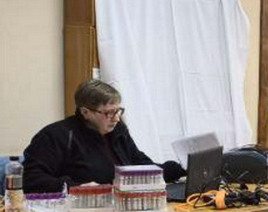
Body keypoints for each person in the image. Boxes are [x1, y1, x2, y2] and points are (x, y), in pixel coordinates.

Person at [22, 79, 184, 192]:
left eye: (118, 111)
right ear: (85, 112)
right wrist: (76, 188)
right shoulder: (55, 135)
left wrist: (182, 168)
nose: (116, 118)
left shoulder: (118, 130)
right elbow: (32, 180)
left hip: (122, 207)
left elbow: (141, 166)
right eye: (109, 113)